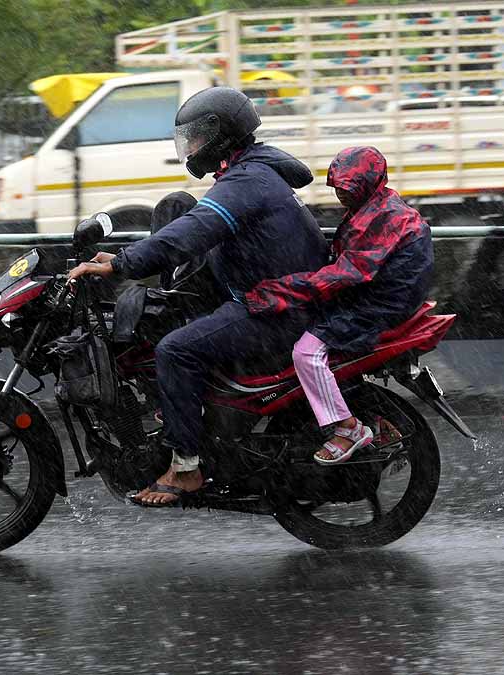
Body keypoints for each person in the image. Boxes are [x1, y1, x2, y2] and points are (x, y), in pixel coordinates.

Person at [69, 86, 327, 507]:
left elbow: (195, 230)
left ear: (222, 135)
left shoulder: (247, 181)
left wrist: (121, 265)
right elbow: (191, 225)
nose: (191, 147)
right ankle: (186, 415)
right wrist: (125, 256)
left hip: (275, 309)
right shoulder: (252, 172)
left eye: (197, 137)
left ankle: (186, 467)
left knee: (175, 350)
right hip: (274, 296)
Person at [245, 146, 434, 464]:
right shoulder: (375, 206)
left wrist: (280, 291)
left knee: (306, 353)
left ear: (367, 183)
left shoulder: (382, 218)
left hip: (377, 307)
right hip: (375, 296)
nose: (341, 195)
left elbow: (345, 274)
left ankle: (348, 429)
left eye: (348, 188)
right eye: (339, 189)